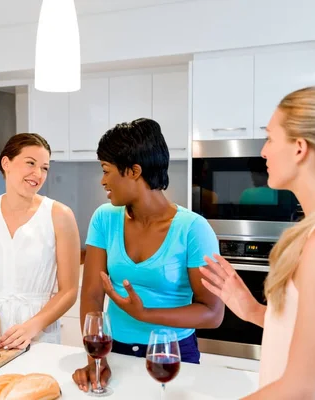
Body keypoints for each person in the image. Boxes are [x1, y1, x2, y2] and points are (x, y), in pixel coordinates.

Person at [200, 86, 315, 399]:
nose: (263, 152)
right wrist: (255, 312)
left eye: (270, 137)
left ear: (299, 148)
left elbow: (302, 389)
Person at [72, 118, 225, 392]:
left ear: (133, 171)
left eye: (107, 171)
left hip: (172, 357)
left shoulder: (193, 229)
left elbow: (212, 313)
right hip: (113, 351)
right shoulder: (104, 219)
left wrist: (145, 314)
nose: (103, 181)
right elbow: (93, 295)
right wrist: (96, 358)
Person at [0, 133, 81, 349]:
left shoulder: (59, 215)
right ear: (6, 163)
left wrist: (32, 326)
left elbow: (68, 291)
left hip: (38, 335)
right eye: (30, 163)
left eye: (44, 168)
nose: (38, 174)